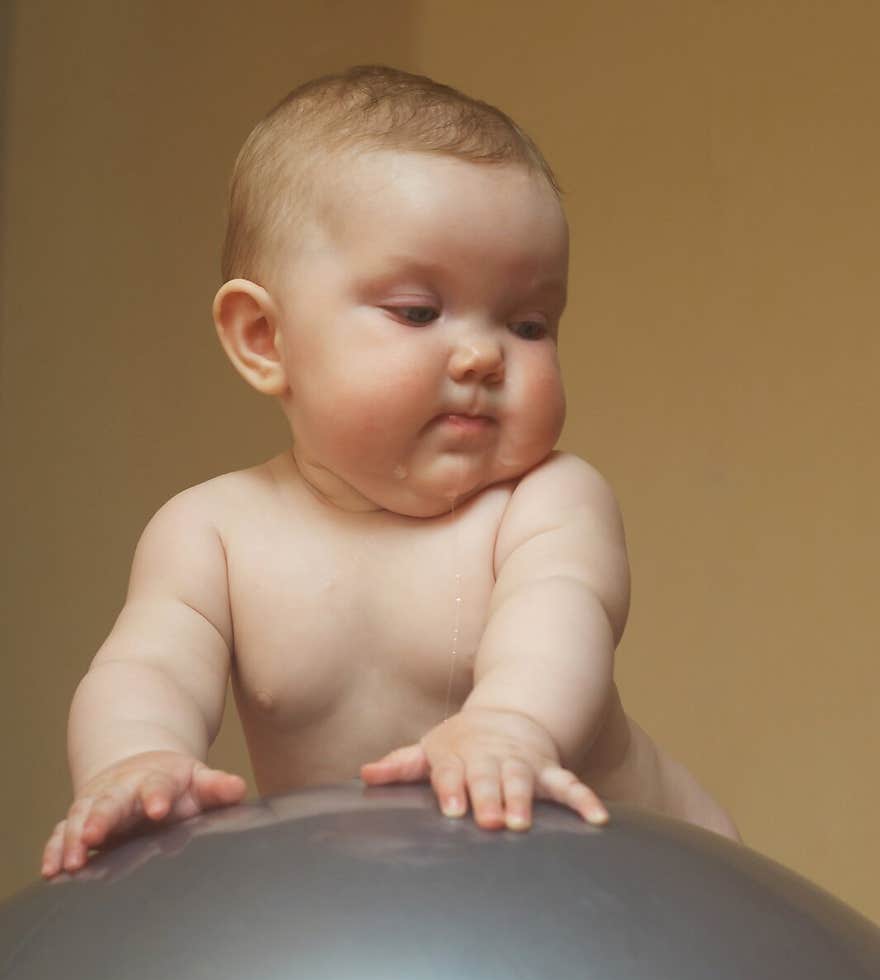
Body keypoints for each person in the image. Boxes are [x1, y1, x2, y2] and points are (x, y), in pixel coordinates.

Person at [41, 65, 739, 878]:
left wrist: (511, 724)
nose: (482, 355)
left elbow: (563, 615)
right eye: (418, 312)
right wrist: (133, 761)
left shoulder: (545, 502)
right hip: (406, 912)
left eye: (528, 322)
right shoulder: (214, 533)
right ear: (264, 339)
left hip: (650, 882)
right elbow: (148, 665)